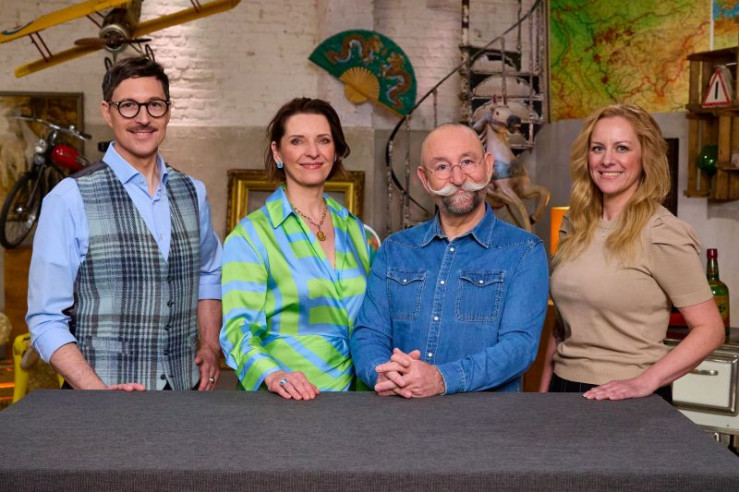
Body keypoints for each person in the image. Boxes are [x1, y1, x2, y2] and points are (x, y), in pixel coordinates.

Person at [26, 57, 223, 391]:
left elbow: (209, 273)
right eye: (129, 106)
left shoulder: (193, 192)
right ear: (108, 112)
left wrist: (209, 344)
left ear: (168, 111)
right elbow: (45, 319)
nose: (143, 118)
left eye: (154, 105)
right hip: (98, 397)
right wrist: (98, 393)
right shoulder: (69, 199)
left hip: (185, 392)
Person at [539, 103, 725, 401]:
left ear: (645, 157)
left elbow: (710, 330)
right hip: (565, 390)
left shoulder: (662, 231)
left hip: (627, 399)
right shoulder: (576, 224)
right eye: (598, 148)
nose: (607, 160)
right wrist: (543, 395)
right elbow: (561, 326)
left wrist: (643, 383)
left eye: (622, 148)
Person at [350, 123, 549, 397]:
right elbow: (368, 333)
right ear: (424, 179)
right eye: (442, 167)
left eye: (467, 162)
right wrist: (382, 372)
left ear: (487, 166)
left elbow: (519, 348)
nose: (457, 178)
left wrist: (441, 379)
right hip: (401, 414)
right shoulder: (394, 250)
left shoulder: (524, 251)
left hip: (487, 419)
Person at [220, 97, 370, 400]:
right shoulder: (251, 236)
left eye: (323, 140)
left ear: (336, 150)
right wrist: (274, 375)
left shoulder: (354, 229)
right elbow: (238, 329)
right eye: (297, 141)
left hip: (353, 400)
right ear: (278, 151)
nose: (313, 152)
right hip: (282, 400)